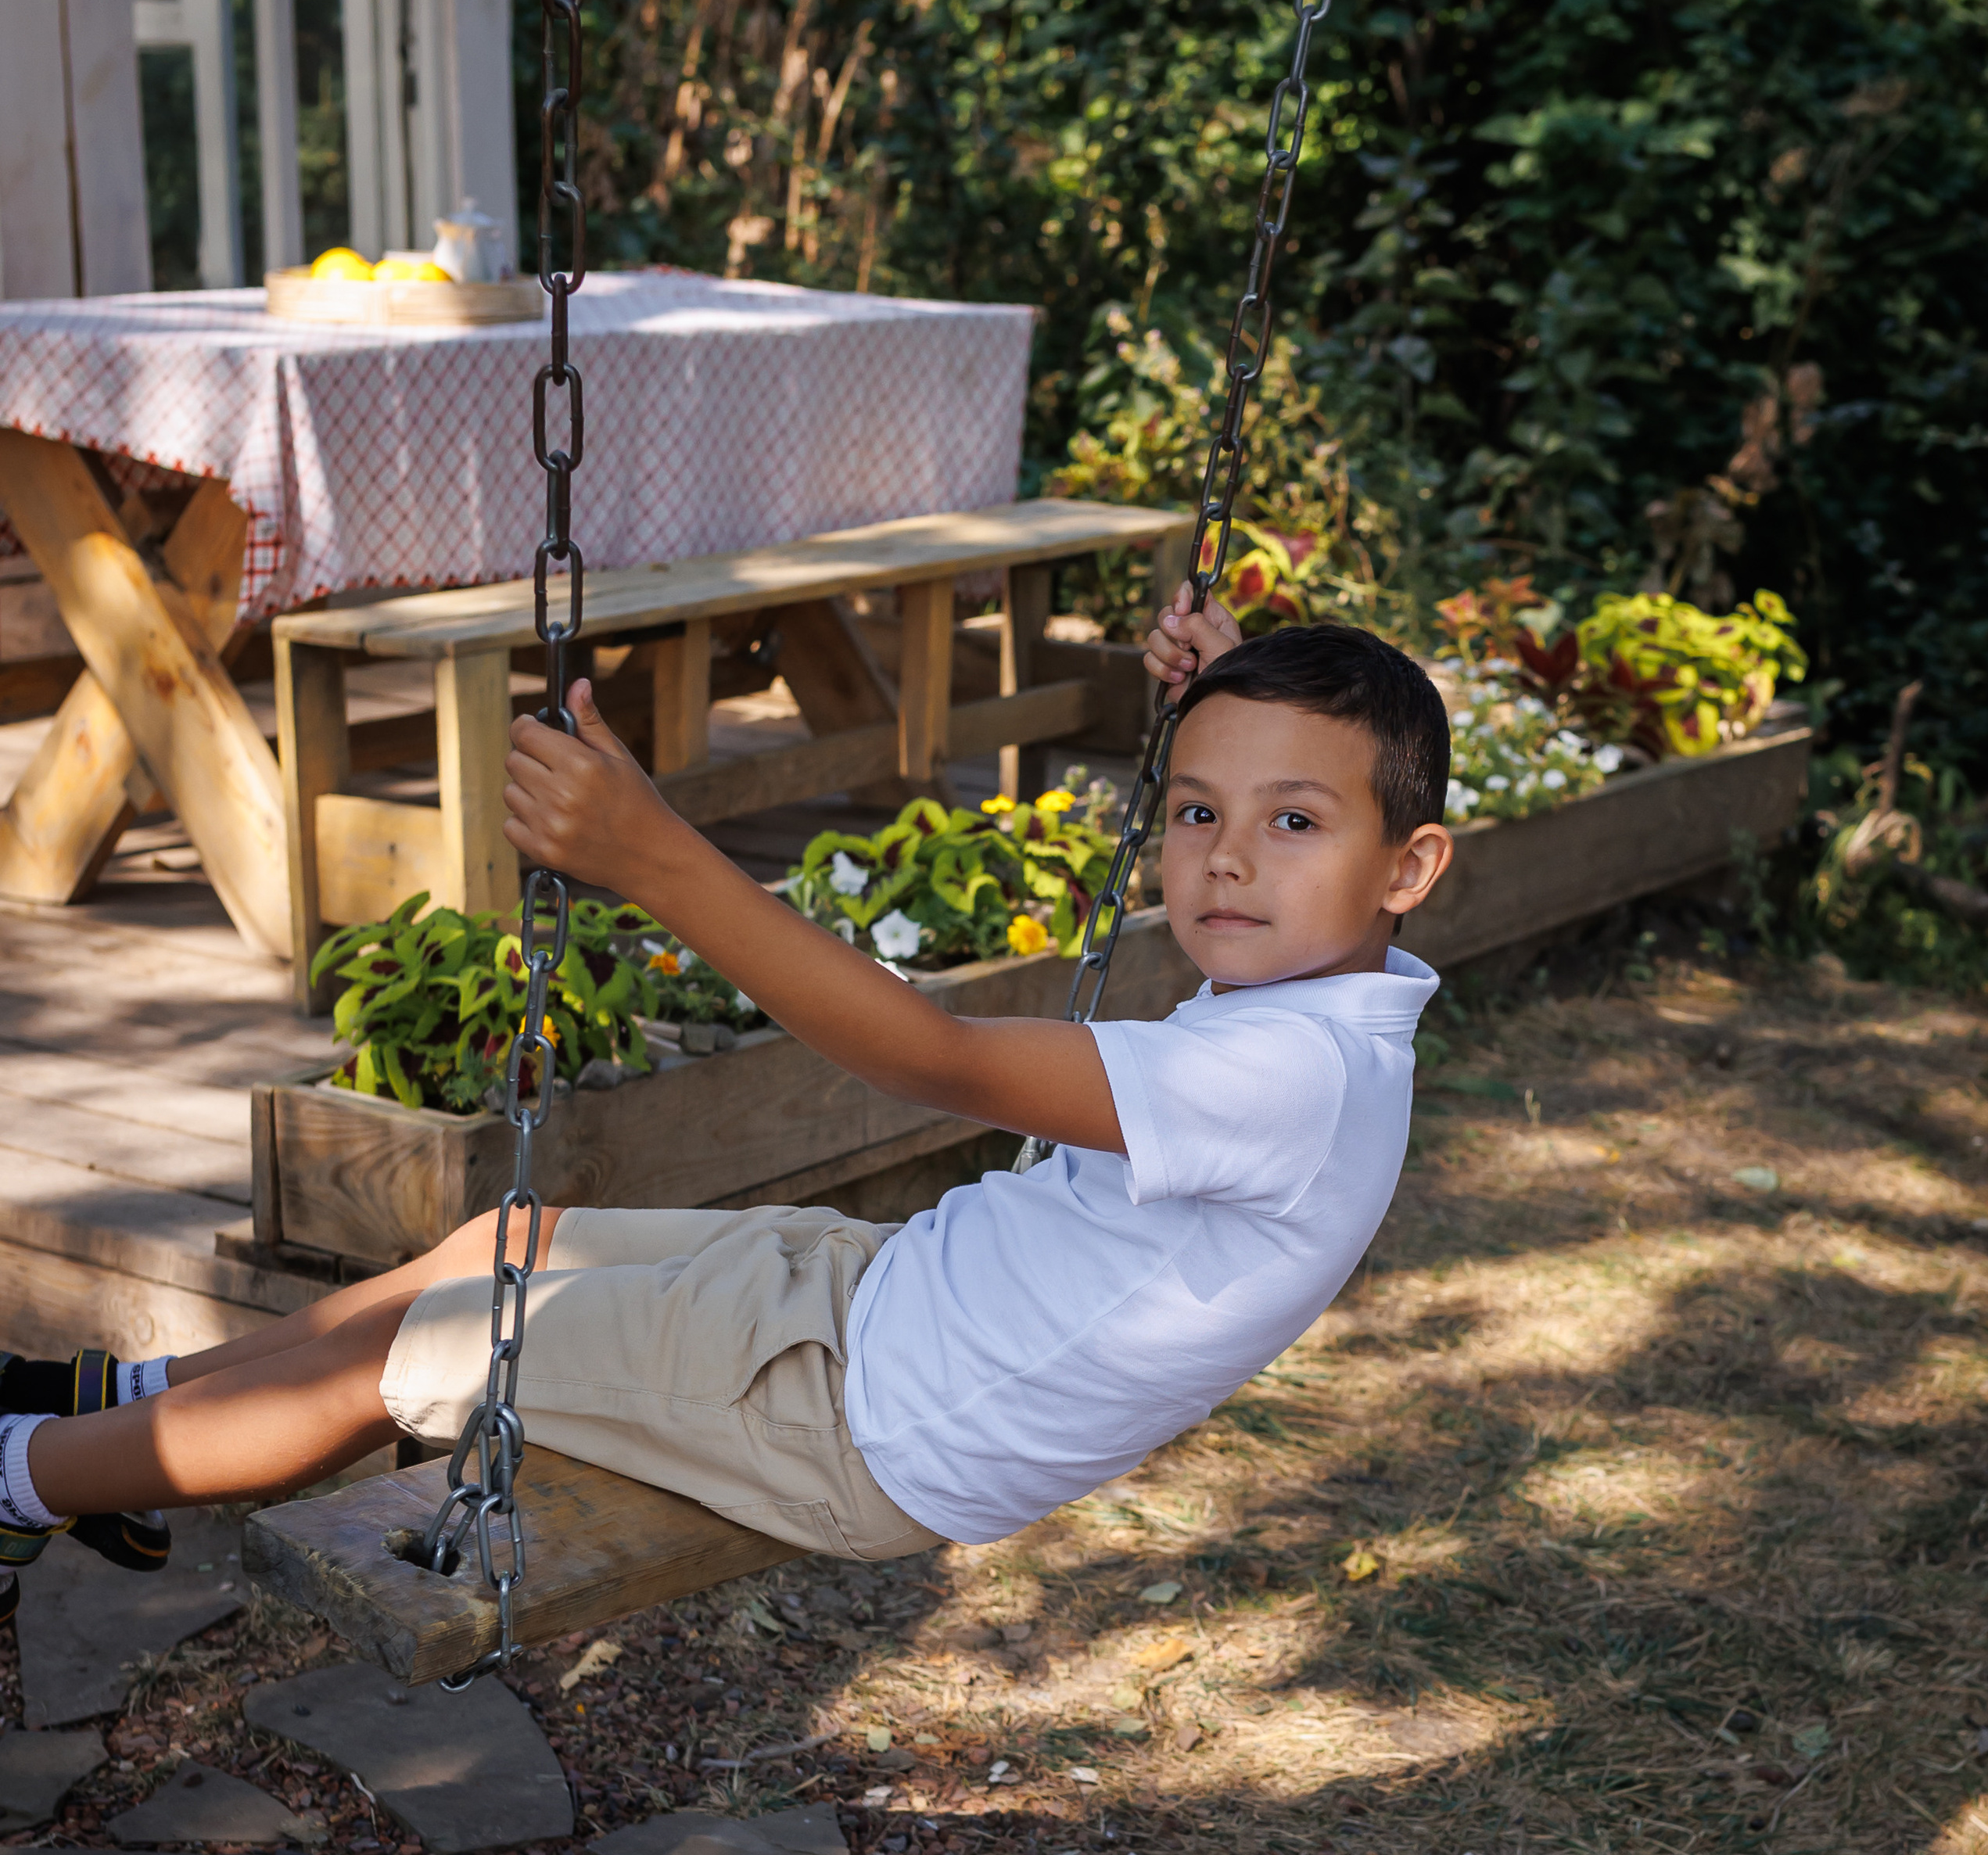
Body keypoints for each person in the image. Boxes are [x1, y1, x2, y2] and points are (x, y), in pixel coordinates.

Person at [0, 587, 1453, 1619]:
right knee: (506, 1243)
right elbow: (1307, 782)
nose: (1227, 858)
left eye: (1294, 823)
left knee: (433, 1348)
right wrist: (1240, 676)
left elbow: (929, 1058)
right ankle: (112, 1414)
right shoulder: (1330, 1002)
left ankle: (18, 1481)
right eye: (1199, 809)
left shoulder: (1296, 1075)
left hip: (867, 1425)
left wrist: (658, 856)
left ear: (1412, 868)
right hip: (878, 1301)